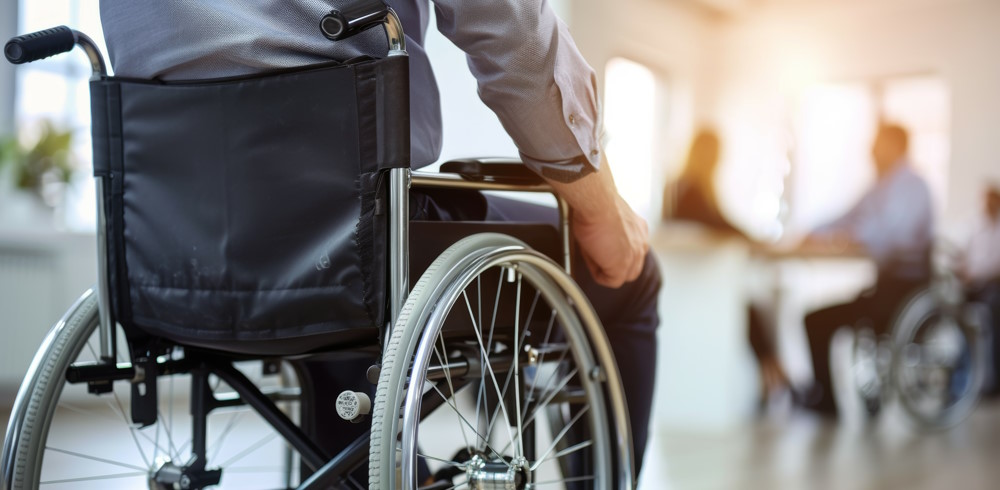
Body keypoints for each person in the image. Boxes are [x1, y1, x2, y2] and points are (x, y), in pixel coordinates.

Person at [98, 0, 661, 476]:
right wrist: (596, 206)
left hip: (174, 256)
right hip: (352, 237)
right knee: (634, 276)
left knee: (340, 292)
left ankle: (372, 461)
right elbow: (513, 35)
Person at [800, 123, 934, 417]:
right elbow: (847, 215)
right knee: (814, 317)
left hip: (902, 292)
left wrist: (847, 236)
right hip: (883, 287)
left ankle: (825, 403)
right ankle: (824, 399)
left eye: (877, 143)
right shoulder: (880, 185)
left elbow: (887, 231)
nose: (871, 150)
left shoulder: (911, 185)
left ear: (897, 146)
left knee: (817, 320)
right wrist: (815, 232)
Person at [662, 128, 790, 405]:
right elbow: (717, 223)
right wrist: (750, 239)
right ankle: (775, 373)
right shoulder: (688, 189)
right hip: (694, 281)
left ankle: (773, 374)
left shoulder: (689, 187)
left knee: (756, 307)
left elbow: (719, 220)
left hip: (697, 277)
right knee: (754, 308)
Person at [962, 184, 1000, 393]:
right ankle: (962, 375)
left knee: (992, 311)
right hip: (971, 286)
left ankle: (992, 380)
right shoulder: (974, 225)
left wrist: (977, 274)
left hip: (994, 286)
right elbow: (962, 254)